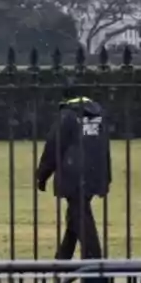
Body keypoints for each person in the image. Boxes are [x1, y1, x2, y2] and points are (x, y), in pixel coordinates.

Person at [36, 88, 111, 260]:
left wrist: (42, 175)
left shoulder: (68, 115)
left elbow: (54, 147)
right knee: (75, 218)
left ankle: (95, 265)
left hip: (73, 175)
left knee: (82, 221)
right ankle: (62, 261)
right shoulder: (98, 114)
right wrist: (106, 176)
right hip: (95, 173)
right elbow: (104, 146)